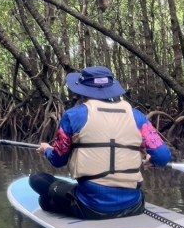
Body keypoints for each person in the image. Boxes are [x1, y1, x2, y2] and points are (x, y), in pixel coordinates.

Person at [31, 66, 172, 219]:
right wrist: (153, 160)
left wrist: (46, 150)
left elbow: (58, 159)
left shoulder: (73, 116)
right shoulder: (138, 117)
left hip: (91, 208)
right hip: (135, 205)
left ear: (82, 90)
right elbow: (163, 157)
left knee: (37, 180)